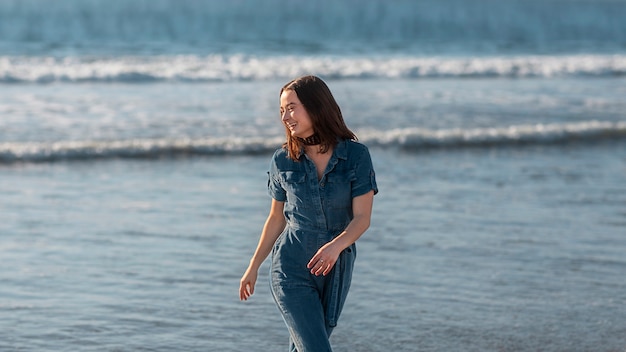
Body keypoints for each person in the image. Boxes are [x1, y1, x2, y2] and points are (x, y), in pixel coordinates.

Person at [239, 75, 378, 351]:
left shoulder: (356, 156)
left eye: (291, 107)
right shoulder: (282, 160)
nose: (285, 117)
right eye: (281, 110)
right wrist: (253, 266)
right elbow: (276, 219)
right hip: (290, 269)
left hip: (336, 269)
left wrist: (335, 247)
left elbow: (363, 218)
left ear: (316, 105)